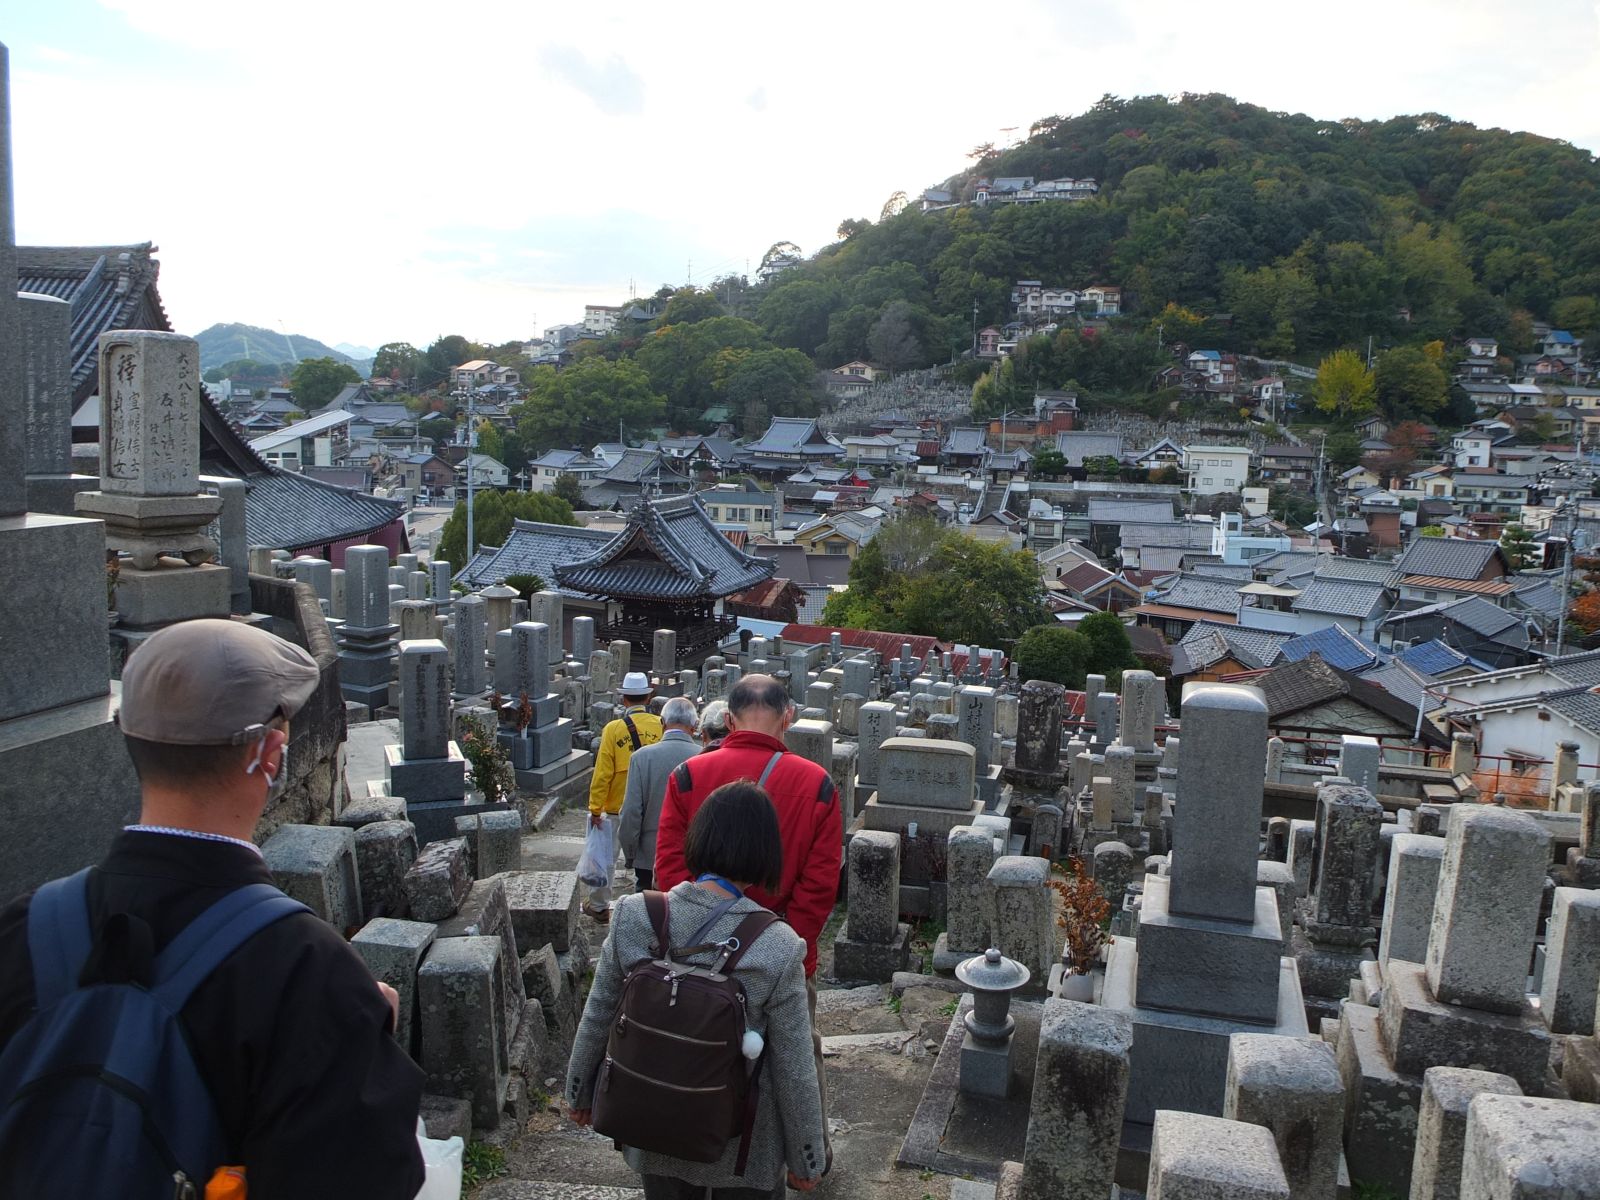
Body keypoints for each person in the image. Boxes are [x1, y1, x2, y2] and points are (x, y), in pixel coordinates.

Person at [0, 619, 424, 1198]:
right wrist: (354, 1032)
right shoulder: (310, 975)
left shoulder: (23, 927)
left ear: (129, 738)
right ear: (271, 754)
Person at [567, 781, 827, 1200]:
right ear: (765, 852)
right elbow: (794, 1067)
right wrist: (806, 1157)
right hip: (743, 1146)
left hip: (651, 1122)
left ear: (700, 837)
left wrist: (579, 1092)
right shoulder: (778, 945)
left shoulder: (637, 915)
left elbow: (599, 1011)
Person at [653, 674, 841, 1143]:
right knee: (796, 1055)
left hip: (696, 952)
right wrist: (784, 945)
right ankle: (808, 1153)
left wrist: (697, 934)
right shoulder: (816, 784)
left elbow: (670, 866)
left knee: (693, 1047)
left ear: (729, 719)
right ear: (789, 717)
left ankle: (683, 1136)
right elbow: (819, 885)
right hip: (784, 949)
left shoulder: (690, 775)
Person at [586, 671, 662, 922]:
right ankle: (652, 903)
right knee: (651, 857)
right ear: (648, 697)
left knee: (606, 857)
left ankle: (599, 905)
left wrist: (596, 808)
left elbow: (603, 772)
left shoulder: (613, 729)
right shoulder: (661, 725)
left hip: (617, 804)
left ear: (625, 700)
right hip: (653, 806)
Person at [616, 696, 699, 893]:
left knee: (648, 912)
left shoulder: (641, 758)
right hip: (692, 856)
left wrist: (630, 853)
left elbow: (631, 812)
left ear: (662, 723)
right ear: (694, 726)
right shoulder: (704, 757)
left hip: (649, 854)